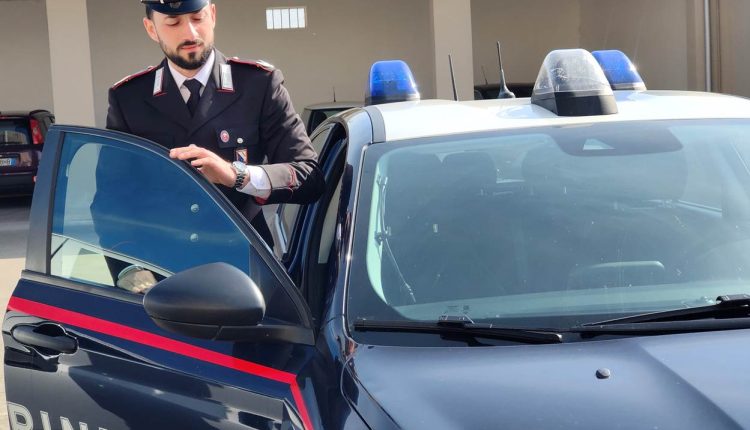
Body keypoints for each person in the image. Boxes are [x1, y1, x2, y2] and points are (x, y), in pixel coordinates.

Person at [100, 0, 324, 291]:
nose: (190, 32)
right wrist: (128, 266)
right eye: (173, 23)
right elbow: (111, 198)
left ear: (213, 15)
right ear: (151, 29)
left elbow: (308, 176)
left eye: (197, 18)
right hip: (160, 278)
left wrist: (237, 175)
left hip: (245, 274)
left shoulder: (258, 85)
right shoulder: (129, 98)